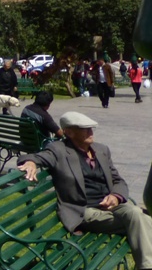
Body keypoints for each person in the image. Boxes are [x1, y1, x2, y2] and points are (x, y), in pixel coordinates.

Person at [17, 112, 152, 269]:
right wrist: (31, 162)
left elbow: (118, 180)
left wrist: (115, 196)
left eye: (91, 128)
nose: (90, 132)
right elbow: (37, 157)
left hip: (110, 206)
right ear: (69, 132)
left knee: (138, 216)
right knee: (141, 220)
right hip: (84, 210)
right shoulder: (59, 150)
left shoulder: (101, 150)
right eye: (84, 128)